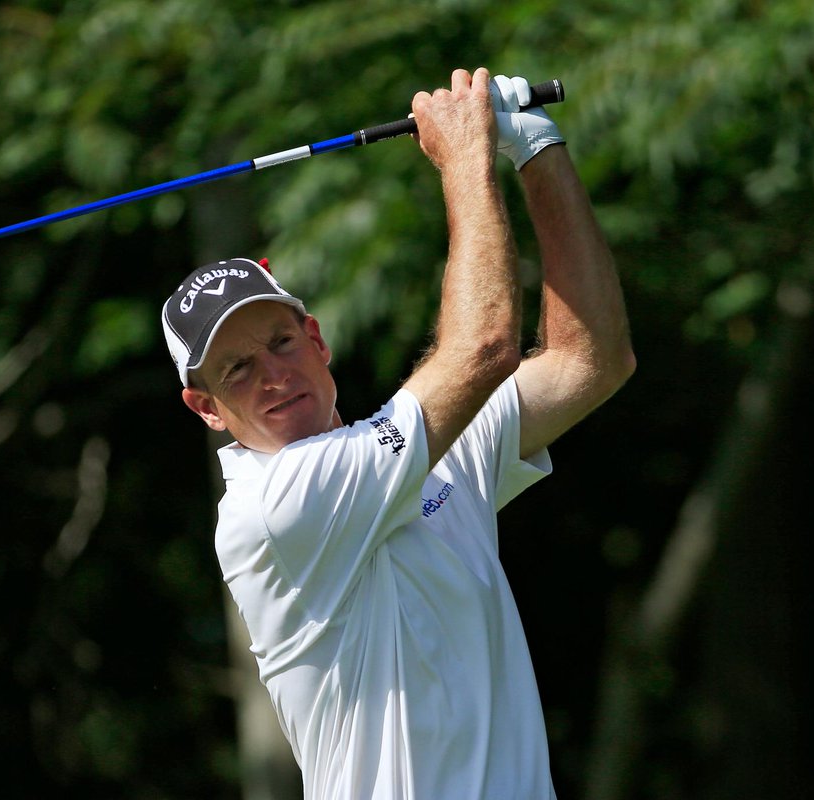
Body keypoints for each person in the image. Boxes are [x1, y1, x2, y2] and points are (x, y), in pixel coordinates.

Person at [160, 68, 634, 799]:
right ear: (207, 408)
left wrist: (537, 149)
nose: (272, 375)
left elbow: (591, 358)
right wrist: (466, 155)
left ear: (316, 340)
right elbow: (482, 350)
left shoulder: (431, 454)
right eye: (237, 369)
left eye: (281, 343)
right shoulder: (270, 509)